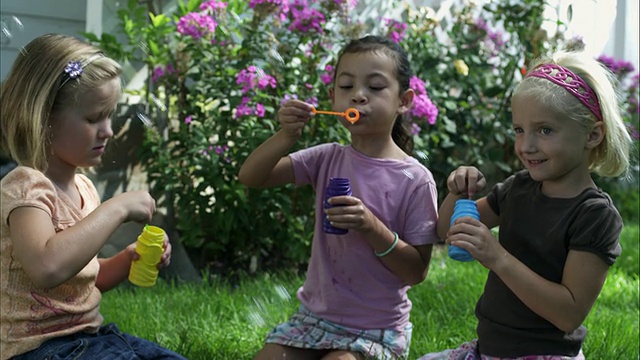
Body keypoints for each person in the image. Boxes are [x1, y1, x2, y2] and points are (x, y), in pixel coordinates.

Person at [419, 50, 632, 360]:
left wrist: (497, 257)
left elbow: (568, 314)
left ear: (592, 134)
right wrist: (457, 192)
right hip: (489, 350)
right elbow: (446, 230)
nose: (526, 146)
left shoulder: (594, 215)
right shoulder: (518, 188)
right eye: (519, 130)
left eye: (545, 130)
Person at [239, 35, 439, 360]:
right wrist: (286, 135)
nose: (358, 96)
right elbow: (251, 177)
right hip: (316, 318)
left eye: (375, 87)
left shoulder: (415, 180)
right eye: (347, 86)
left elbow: (416, 272)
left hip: (376, 327)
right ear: (333, 98)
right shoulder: (326, 159)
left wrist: (370, 226)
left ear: (404, 101)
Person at [0, 34, 187, 360]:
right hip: (38, 350)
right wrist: (116, 207)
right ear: (43, 117)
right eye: (93, 118)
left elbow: (83, 279)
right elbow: (48, 267)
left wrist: (129, 260)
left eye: (109, 115)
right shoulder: (25, 187)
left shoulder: (84, 187)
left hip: (90, 337)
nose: (108, 130)